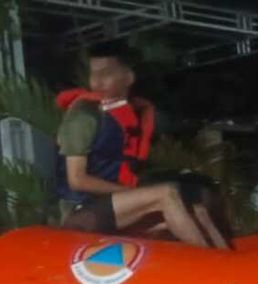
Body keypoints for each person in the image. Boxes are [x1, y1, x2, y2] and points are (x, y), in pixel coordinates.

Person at [56, 41, 228, 249]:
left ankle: (229, 263)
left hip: (113, 205)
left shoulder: (131, 115)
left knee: (195, 205)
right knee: (165, 194)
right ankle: (211, 265)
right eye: (94, 74)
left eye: (106, 74)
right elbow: (77, 180)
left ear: (128, 78)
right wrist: (129, 192)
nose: (97, 82)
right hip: (81, 212)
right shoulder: (84, 115)